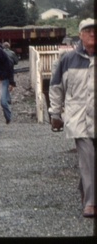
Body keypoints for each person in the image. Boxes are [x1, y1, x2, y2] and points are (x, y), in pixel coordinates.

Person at [48, 18, 95, 218]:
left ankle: (84, 190)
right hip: (79, 118)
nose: (93, 34)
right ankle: (91, 203)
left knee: (91, 161)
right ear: (80, 35)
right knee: (87, 158)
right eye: (88, 30)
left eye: (95, 31)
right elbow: (56, 87)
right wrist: (55, 114)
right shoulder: (68, 59)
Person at [0, 42, 19, 123]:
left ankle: (7, 114)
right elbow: (16, 61)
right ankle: (8, 103)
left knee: (2, 99)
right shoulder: (12, 53)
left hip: (1, 78)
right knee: (4, 95)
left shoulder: (0, 55)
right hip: (6, 77)